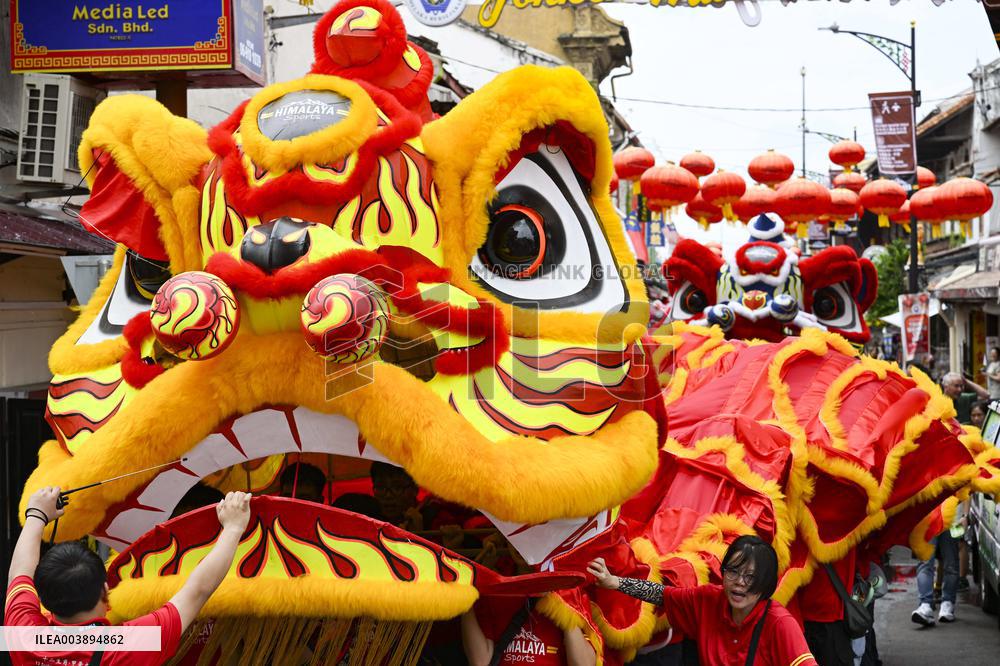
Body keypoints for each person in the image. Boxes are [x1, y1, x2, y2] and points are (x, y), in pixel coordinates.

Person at [5, 486, 252, 665]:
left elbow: (19, 573)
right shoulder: (127, 647)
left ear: (43, 600)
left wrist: (36, 515)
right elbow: (198, 590)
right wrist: (234, 527)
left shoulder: (24, 636)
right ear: (104, 590)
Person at [588, 535, 817, 666]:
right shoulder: (709, 599)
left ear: (766, 583)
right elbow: (661, 594)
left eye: (751, 577)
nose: (739, 582)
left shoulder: (780, 624)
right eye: (733, 572)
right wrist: (614, 582)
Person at [460, 594, 597, 666]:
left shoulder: (572, 593)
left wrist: (565, 609)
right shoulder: (494, 593)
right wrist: (465, 601)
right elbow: (480, 662)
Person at [911, 527, 960, 626]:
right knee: (925, 563)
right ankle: (925, 604)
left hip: (951, 518)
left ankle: (947, 602)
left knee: (950, 564)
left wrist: (965, 515)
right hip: (929, 517)